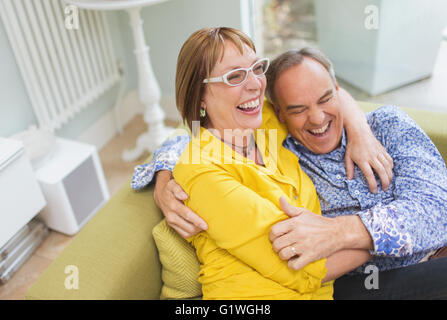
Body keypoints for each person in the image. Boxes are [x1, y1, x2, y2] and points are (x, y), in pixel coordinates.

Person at [139, 45, 447, 299]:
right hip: (358, 284)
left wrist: (360, 128)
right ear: (279, 112)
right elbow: (198, 133)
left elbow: (439, 213)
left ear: (339, 91)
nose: (316, 119)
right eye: (298, 109)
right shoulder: (284, 148)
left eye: (326, 99)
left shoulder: (387, 126)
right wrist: (165, 175)